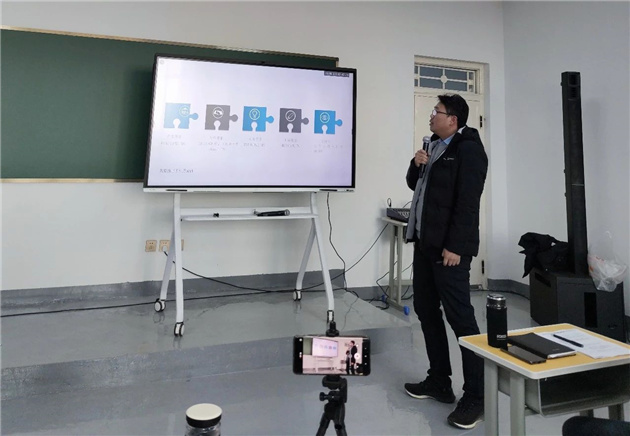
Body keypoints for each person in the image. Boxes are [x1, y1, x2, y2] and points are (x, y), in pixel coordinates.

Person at [403, 94, 488, 430]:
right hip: (426, 244)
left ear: (452, 119)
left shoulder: (469, 150)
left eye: (435, 112)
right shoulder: (434, 146)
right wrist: (416, 163)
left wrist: (455, 246)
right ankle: (439, 381)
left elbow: (468, 203)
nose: (431, 116)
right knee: (426, 310)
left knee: (461, 319)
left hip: (449, 250)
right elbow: (416, 185)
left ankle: (477, 396)